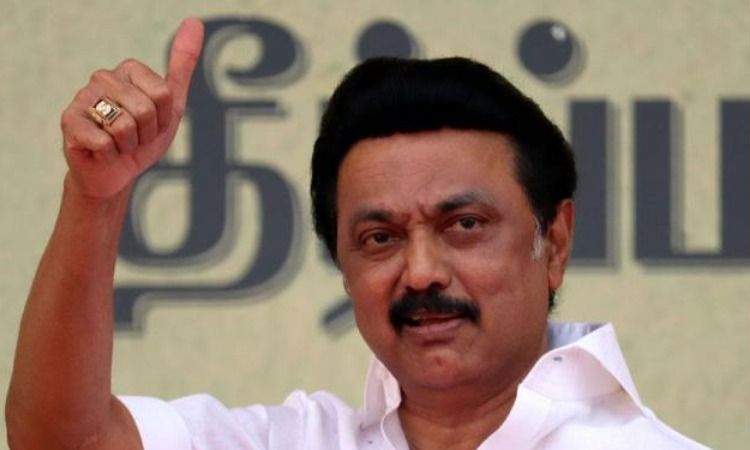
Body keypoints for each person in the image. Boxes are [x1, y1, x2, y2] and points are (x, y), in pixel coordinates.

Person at [5, 17, 708, 450]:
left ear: (554, 242)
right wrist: (97, 197)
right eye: (380, 238)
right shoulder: (297, 442)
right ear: (343, 268)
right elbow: (63, 441)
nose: (422, 272)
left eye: (464, 225)